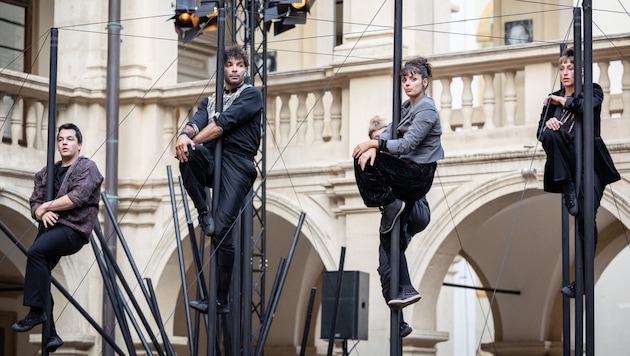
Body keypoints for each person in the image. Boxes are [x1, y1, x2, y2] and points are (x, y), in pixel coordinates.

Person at [175, 45, 263, 314]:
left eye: (239, 65)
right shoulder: (210, 99)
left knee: (223, 231)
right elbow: (196, 121)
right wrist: (183, 136)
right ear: (222, 69)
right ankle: (203, 211)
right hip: (214, 159)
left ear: (246, 69)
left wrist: (191, 138)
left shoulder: (251, 95)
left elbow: (222, 124)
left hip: (237, 163)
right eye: (229, 65)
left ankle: (220, 300)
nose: (234, 69)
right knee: (187, 154)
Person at [353, 56, 444, 313]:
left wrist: (373, 145)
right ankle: (404, 292)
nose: (407, 83)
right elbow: (392, 132)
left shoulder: (426, 109)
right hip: (405, 176)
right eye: (404, 79)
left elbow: (406, 145)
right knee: (387, 249)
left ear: (425, 82)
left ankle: (391, 202)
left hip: (417, 176)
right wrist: (374, 147)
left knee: (365, 156)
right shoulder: (405, 108)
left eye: (413, 79)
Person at [12, 123, 103, 353]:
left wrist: (47, 206)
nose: (64, 142)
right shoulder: (46, 172)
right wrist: (40, 210)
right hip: (50, 230)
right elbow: (34, 202)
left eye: (70, 139)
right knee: (40, 275)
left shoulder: (87, 168)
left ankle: (35, 313)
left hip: (73, 229)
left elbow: (77, 197)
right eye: (61, 139)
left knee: (35, 253)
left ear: (79, 144)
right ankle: (51, 334)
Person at [537, 47, 620, 297]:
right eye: (561, 68)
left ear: (581, 70)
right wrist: (550, 121)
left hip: (590, 163)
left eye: (570, 68)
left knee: (586, 217)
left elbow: (585, 107)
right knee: (551, 132)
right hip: (566, 167)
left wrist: (560, 101)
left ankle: (582, 281)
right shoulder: (552, 100)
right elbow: (540, 133)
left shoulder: (592, 90)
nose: (564, 72)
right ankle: (568, 188)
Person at [368, 116, 432, 337]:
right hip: (397, 217)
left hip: (415, 211)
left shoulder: (403, 151)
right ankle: (400, 320)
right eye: (376, 139)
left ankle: (406, 289)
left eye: (384, 137)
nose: (381, 142)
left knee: (399, 211)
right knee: (386, 265)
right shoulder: (377, 161)